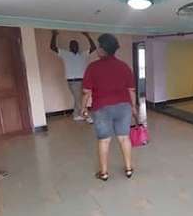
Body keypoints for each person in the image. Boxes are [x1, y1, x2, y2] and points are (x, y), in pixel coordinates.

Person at [82, 33, 138, 181]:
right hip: (124, 107)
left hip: (102, 108)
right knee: (124, 138)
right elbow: (131, 90)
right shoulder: (124, 66)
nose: (97, 49)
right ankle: (128, 169)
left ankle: (104, 173)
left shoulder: (93, 67)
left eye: (98, 46)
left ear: (102, 49)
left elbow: (87, 92)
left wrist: (83, 108)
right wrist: (133, 107)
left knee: (104, 140)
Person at [50, 29, 96, 122]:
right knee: (79, 100)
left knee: (80, 99)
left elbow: (93, 48)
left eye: (76, 45)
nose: (74, 46)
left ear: (78, 47)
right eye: (72, 45)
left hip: (84, 80)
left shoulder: (83, 54)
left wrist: (87, 36)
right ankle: (86, 116)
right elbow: (53, 47)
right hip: (73, 81)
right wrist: (54, 35)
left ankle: (76, 115)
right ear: (70, 47)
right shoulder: (65, 54)